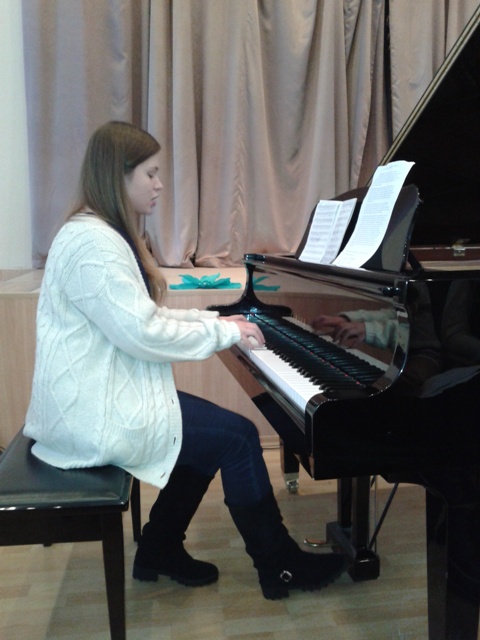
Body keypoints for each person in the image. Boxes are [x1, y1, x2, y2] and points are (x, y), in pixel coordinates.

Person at [24, 121, 345, 600]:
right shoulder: (93, 244)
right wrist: (222, 331)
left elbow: (140, 318)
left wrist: (213, 322)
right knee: (236, 438)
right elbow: (142, 332)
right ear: (118, 175)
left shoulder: (95, 233)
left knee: (211, 437)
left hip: (95, 396)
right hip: (91, 414)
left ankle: (159, 547)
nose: (159, 185)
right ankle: (279, 566)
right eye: (150, 173)